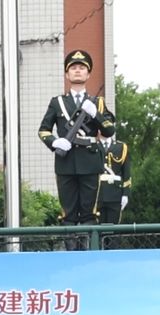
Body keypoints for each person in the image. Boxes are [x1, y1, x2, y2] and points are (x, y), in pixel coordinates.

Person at [39, 49, 114, 233]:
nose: (77, 70)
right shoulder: (57, 102)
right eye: (73, 68)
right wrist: (55, 142)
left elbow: (109, 130)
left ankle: (88, 250)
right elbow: (43, 130)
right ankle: (70, 249)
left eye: (82, 67)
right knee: (68, 215)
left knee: (89, 215)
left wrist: (95, 114)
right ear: (67, 74)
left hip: (90, 161)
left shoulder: (97, 102)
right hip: (66, 162)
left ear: (88, 74)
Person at [96, 134, 131, 225]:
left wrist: (125, 194)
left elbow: (126, 172)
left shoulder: (121, 147)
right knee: (97, 228)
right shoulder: (93, 145)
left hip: (115, 194)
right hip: (96, 194)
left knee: (113, 228)